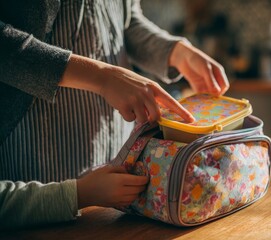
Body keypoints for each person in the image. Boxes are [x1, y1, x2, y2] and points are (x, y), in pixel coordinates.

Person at [0, 0, 229, 229]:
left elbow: (127, 22)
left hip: (115, 146)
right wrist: (101, 76)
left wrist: (175, 52)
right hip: (41, 154)